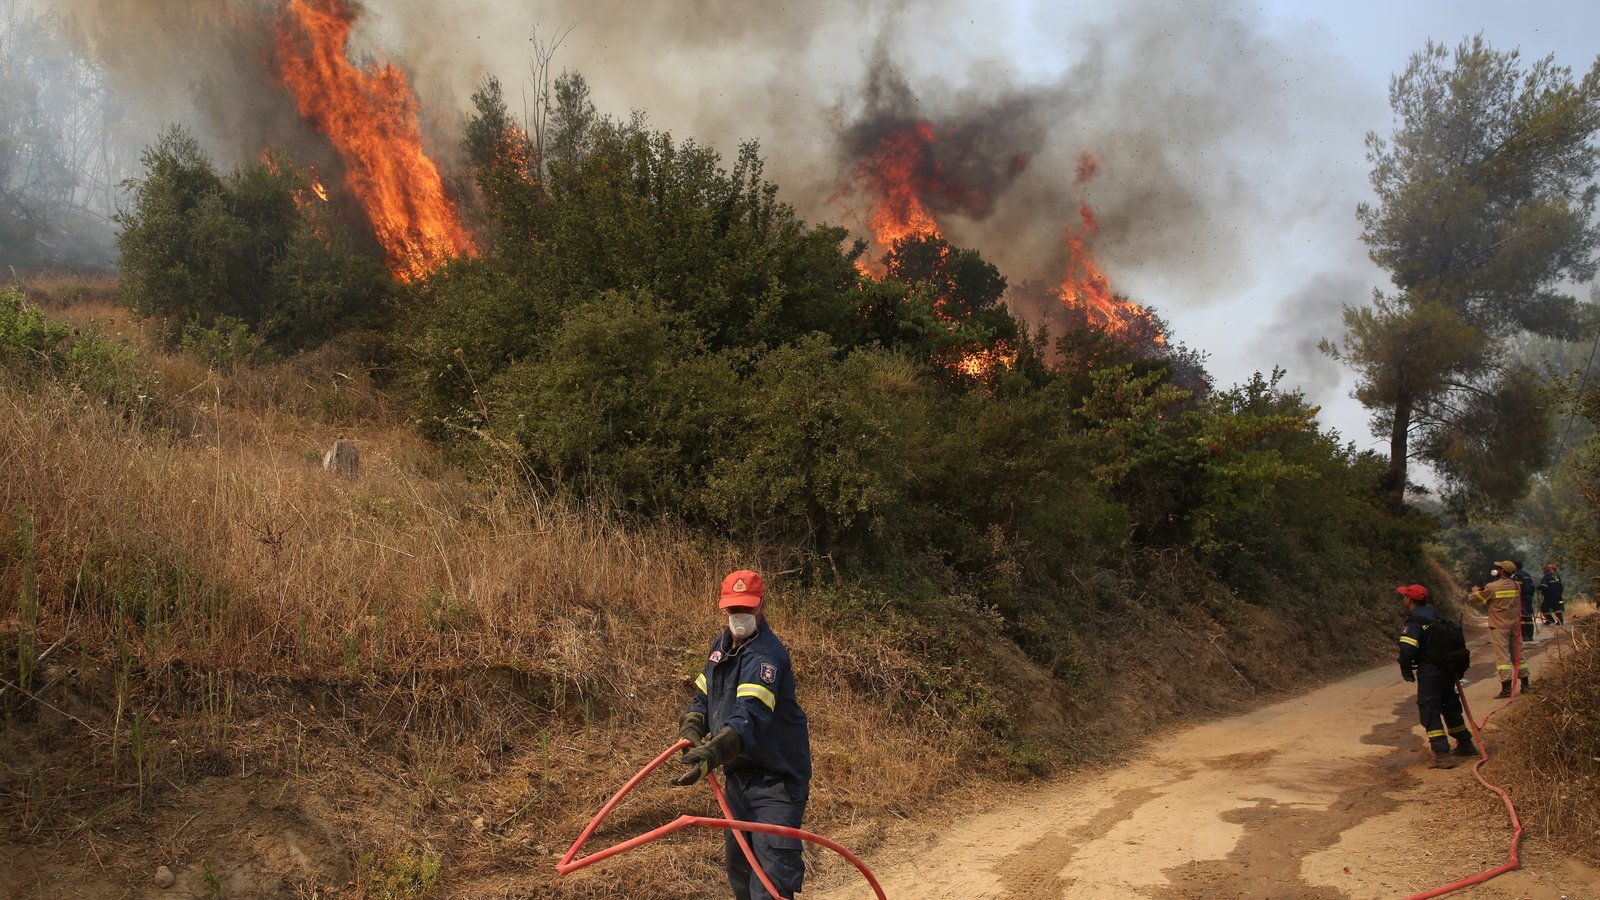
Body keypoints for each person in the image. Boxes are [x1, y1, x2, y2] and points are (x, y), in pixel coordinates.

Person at [675, 569, 811, 900]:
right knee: (741, 877)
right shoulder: (720, 649)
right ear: (724, 608)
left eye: (747, 609)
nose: (740, 616)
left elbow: (749, 716)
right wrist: (693, 723)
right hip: (739, 780)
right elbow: (703, 697)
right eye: (734, 610)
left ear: (761, 606)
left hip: (775, 784)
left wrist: (713, 753)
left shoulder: (767, 657)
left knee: (768, 886)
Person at [1395, 584, 1477, 768]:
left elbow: (1407, 648)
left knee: (1430, 709)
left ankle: (1442, 754)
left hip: (1430, 670)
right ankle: (1465, 743)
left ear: (1409, 599)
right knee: (1449, 706)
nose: (1403, 599)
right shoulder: (1435, 615)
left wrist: (1405, 667)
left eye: (1405, 596)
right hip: (1446, 669)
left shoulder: (1415, 621)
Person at [1469, 560, 1529, 698]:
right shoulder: (1516, 585)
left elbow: (1475, 600)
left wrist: (1474, 592)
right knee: (1518, 654)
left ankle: (1506, 689)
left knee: (1503, 657)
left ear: (1502, 571)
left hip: (1499, 625)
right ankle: (1525, 684)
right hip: (1514, 625)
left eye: (1498, 568)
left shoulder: (1492, 587)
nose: (1496, 569)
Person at [1511, 558, 1537, 641]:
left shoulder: (1516, 576)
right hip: (1529, 597)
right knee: (1528, 616)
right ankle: (1530, 636)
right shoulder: (1527, 574)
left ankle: (1524, 636)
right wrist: (1531, 595)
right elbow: (1533, 587)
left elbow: (1516, 587)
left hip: (1521, 598)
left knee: (1521, 617)